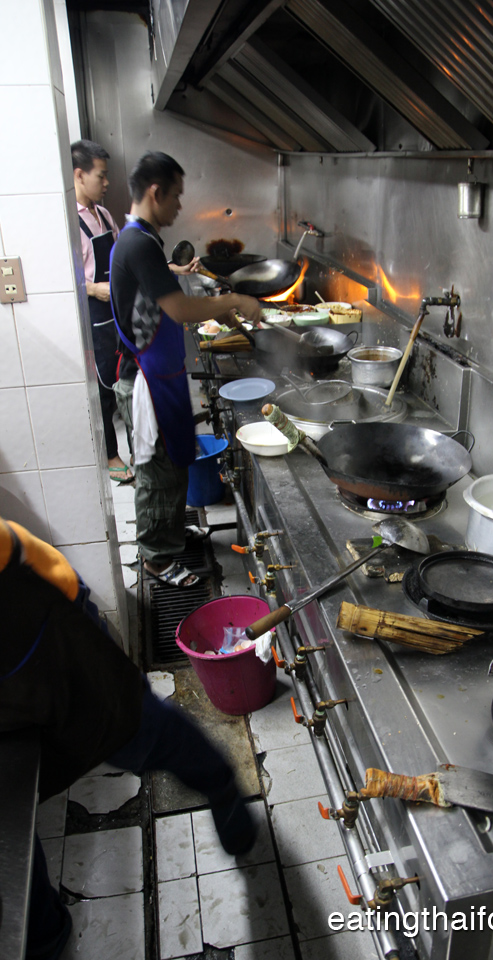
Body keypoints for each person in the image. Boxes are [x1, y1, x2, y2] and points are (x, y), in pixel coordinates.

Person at [0, 516, 257, 960]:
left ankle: (221, 787)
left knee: (139, 731)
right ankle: (44, 937)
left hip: (40, 629)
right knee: (6, 818)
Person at [110, 151, 261, 587]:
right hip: (146, 381)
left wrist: (190, 286)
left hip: (162, 376)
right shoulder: (137, 242)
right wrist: (234, 301)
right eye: (175, 196)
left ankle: (170, 535)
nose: (179, 206)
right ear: (155, 193)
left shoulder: (143, 241)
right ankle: (157, 558)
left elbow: (160, 294)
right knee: (158, 473)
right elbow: (177, 308)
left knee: (174, 464)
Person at [72, 139, 134, 483]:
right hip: (94, 320)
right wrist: (91, 288)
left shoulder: (104, 214)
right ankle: (111, 456)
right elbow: (65, 281)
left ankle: (128, 449)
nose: (107, 183)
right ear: (79, 175)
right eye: (102, 176)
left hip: (117, 313)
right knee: (103, 394)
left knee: (121, 382)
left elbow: (122, 253)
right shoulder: (70, 222)